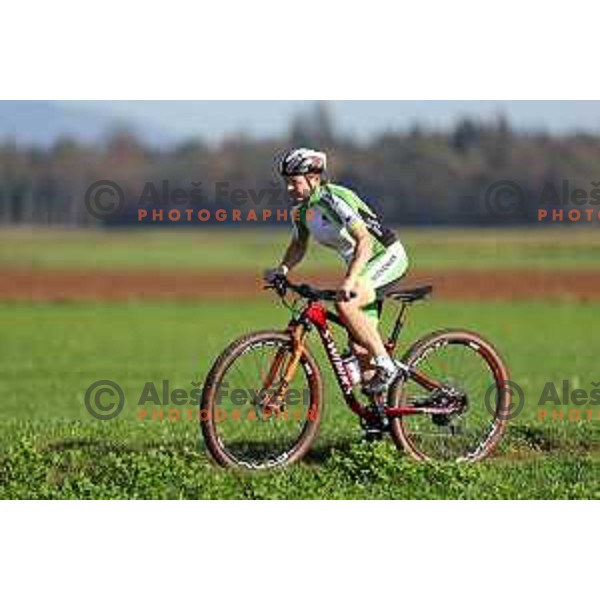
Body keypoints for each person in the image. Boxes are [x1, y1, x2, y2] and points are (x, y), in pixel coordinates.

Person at [264, 148, 409, 394]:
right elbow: (299, 244)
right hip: (362, 266)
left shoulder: (335, 198)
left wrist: (350, 281)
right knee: (360, 347)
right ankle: (383, 417)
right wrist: (282, 270)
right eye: (286, 182)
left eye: (294, 182)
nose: (288, 188)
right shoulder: (301, 210)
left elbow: (365, 241)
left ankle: (387, 366)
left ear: (314, 178)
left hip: (385, 256)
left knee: (346, 306)